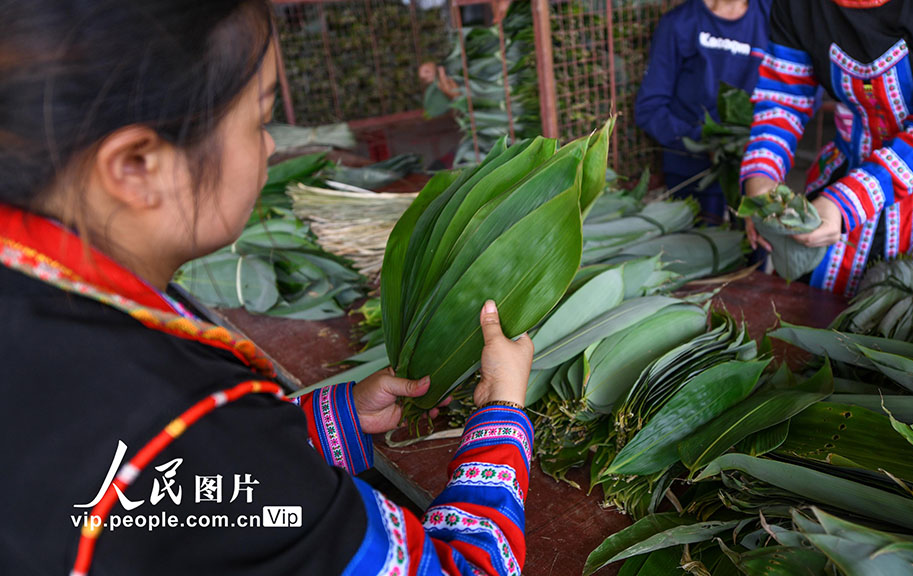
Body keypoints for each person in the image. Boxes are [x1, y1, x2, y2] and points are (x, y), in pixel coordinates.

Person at [0, 2, 534, 575]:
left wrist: (338, 418)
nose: (272, 146)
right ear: (137, 166)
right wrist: (502, 414)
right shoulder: (187, 420)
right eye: (258, 119)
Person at [740, 0, 913, 296]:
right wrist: (760, 179)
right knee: (822, 316)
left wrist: (843, 203)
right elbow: (783, 98)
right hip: (851, 166)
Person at [635, 0, 772, 223]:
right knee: (700, 247)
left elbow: (796, 97)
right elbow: (649, 109)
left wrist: (764, 145)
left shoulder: (774, 21)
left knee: (755, 251)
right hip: (692, 175)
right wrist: (705, 141)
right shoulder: (679, 23)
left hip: (757, 171)